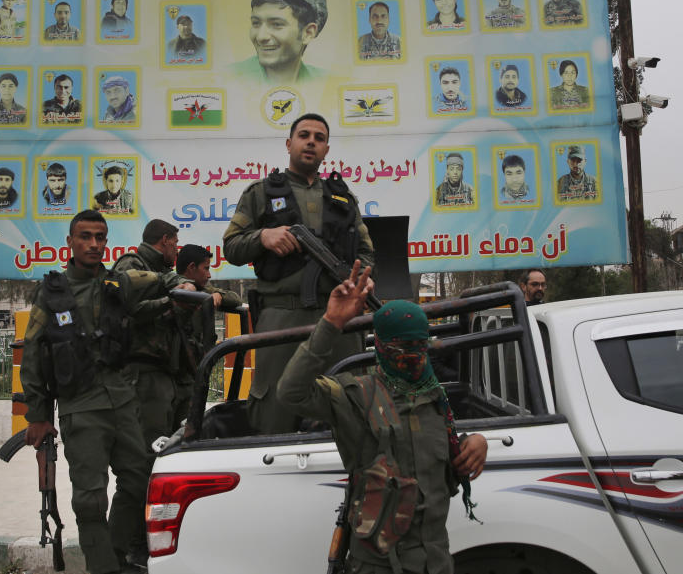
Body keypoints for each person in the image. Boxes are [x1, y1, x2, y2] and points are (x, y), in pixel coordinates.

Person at [277, 262, 488, 574]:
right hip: (378, 566)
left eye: (420, 345)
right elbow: (291, 392)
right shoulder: (355, 396)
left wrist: (476, 443)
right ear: (380, 345)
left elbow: (447, 460)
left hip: (437, 563)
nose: (412, 354)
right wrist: (331, 323)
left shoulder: (436, 399)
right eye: (401, 346)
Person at [20, 209, 192, 574]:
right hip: (80, 407)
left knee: (140, 480)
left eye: (100, 237)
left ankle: (113, 556)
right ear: (70, 242)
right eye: (85, 236)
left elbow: (162, 279)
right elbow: (33, 354)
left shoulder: (120, 283)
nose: (94, 244)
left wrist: (186, 286)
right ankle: (103, 567)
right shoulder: (51, 293)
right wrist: (36, 416)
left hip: (123, 400)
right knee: (90, 499)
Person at [223, 112, 375, 434]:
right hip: (283, 317)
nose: (311, 142)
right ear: (289, 143)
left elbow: (366, 252)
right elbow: (232, 247)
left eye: (319, 138)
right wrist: (263, 237)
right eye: (304, 135)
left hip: (340, 320)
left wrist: (365, 277)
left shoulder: (343, 198)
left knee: (348, 403)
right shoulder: (260, 193)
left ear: (326, 150)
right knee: (275, 407)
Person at [111, 220, 185, 448]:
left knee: (170, 445)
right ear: (164, 240)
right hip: (141, 373)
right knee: (149, 448)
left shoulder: (163, 271)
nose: (176, 250)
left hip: (162, 372)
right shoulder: (131, 264)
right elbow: (129, 308)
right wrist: (170, 302)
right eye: (175, 244)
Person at [173, 244, 243, 427]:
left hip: (189, 375)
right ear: (191, 268)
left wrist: (217, 293)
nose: (209, 275)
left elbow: (235, 299)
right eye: (206, 268)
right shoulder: (174, 286)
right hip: (169, 376)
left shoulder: (202, 291)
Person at [231, 0, 328, 84]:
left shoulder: (326, 83)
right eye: (256, 23)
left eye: (276, 24)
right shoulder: (225, 78)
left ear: (308, 33)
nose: (261, 37)